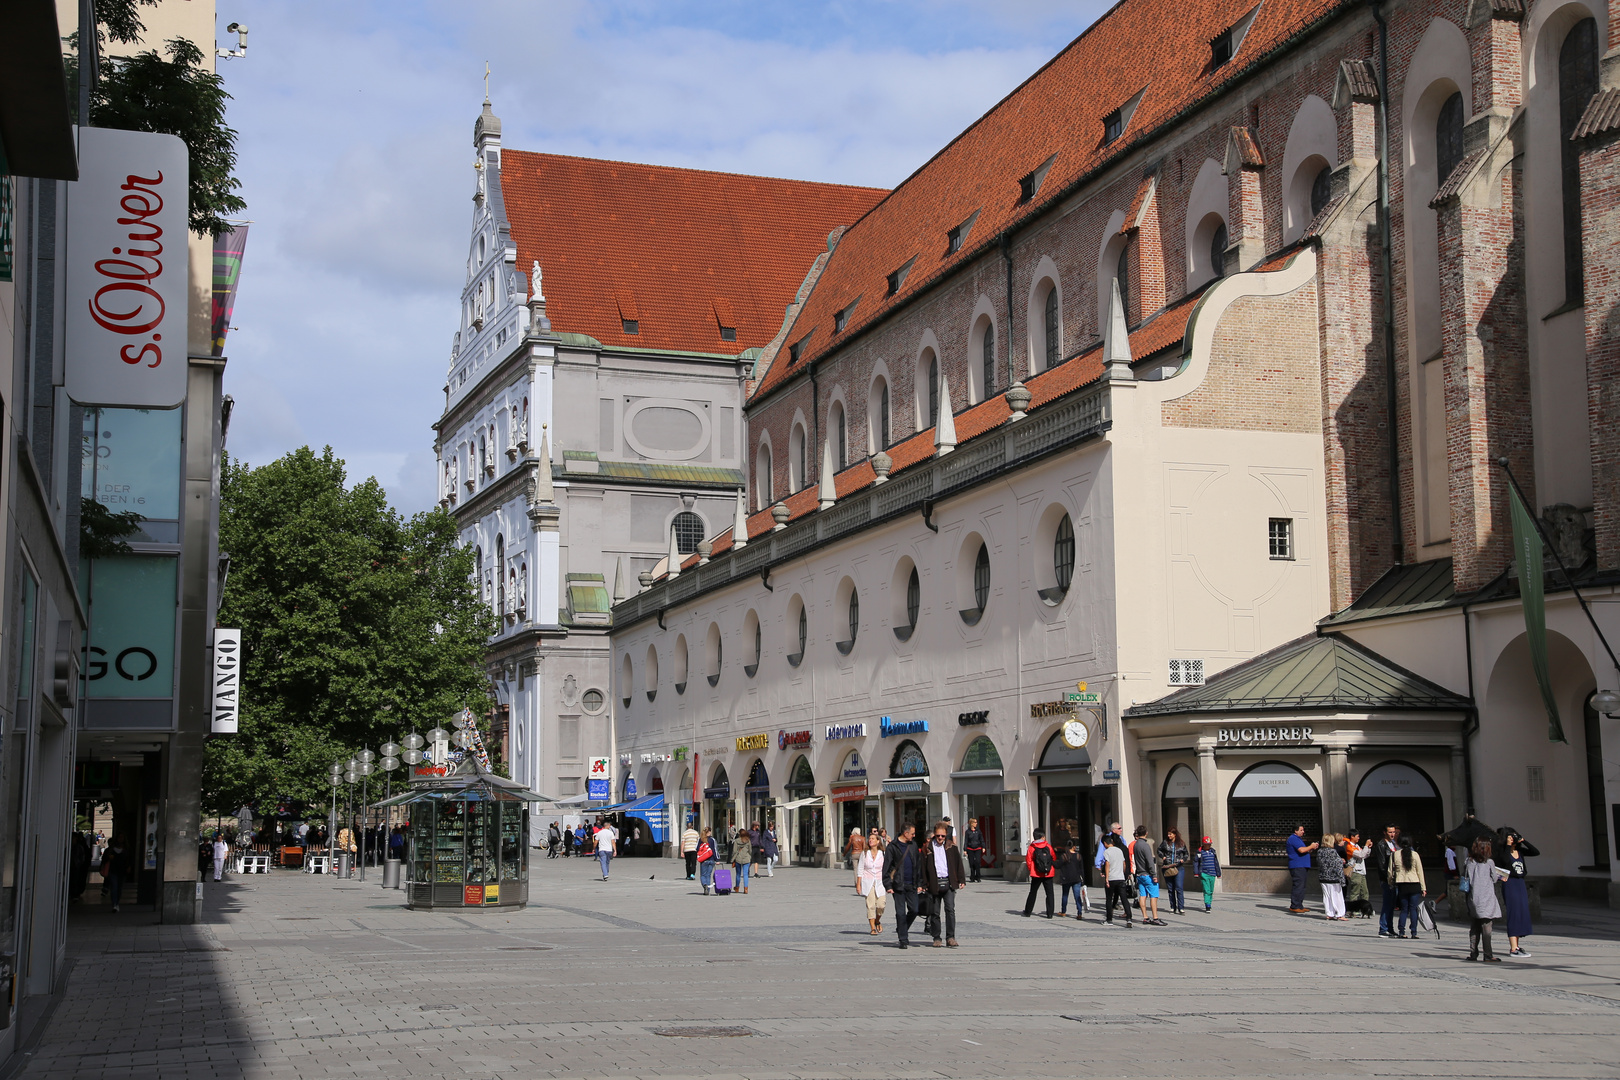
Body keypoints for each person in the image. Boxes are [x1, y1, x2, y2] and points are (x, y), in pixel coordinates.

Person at [919, 821, 966, 947]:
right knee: (935, 912)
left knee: (950, 910)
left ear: (946, 835)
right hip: (934, 883)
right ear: (934, 834)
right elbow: (922, 867)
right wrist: (923, 883)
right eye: (938, 835)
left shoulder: (951, 847)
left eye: (943, 836)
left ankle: (950, 937)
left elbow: (958, 864)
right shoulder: (927, 848)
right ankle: (937, 937)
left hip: (949, 882)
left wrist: (961, 880)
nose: (940, 838)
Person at [1462, 837, 1508, 962]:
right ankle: (1487, 955)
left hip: (1473, 899)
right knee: (1486, 928)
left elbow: (1464, 879)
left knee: (1474, 928)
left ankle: (1473, 953)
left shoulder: (1468, 862)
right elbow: (1494, 878)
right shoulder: (1489, 863)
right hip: (1486, 899)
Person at [1498, 827, 1538, 957]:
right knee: (1514, 913)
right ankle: (1513, 948)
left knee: (1522, 912)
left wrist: (1523, 840)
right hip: (1510, 883)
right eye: (1510, 836)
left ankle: (1517, 946)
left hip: (1520, 883)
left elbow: (1535, 852)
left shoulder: (1519, 851)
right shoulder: (1502, 852)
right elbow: (1503, 861)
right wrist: (1507, 845)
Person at [882, 824, 921, 948]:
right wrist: (888, 885)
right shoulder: (893, 847)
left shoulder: (913, 845)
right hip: (898, 885)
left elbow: (918, 865)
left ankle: (902, 928)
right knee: (900, 913)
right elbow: (886, 867)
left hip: (912, 884)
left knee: (914, 910)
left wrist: (920, 883)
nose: (914, 836)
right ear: (905, 833)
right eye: (912, 833)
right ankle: (903, 939)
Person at [1389, 835, 1426, 939]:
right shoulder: (1415, 855)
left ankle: (1402, 931)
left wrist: (1391, 882)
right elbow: (1420, 871)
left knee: (1404, 909)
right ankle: (1414, 932)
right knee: (1413, 909)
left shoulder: (1395, 855)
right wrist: (1423, 887)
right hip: (1414, 883)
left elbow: (1390, 871)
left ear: (1399, 843)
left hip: (1402, 884)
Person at [1368, 824, 1401, 937]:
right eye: (1390, 832)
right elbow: (1382, 865)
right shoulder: (1381, 845)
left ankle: (1390, 928)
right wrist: (1388, 878)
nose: (1392, 834)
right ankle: (1383, 928)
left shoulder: (1393, 844)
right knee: (1387, 904)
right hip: (1387, 879)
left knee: (1392, 905)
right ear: (1385, 832)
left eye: (1393, 832)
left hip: (1395, 878)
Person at [1131, 826, 1165, 925]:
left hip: (1139, 874)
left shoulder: (1136, 845)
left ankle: (1145, 917)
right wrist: (1154, 874)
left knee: (1143, 895)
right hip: (1147, 874)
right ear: (1146, 833)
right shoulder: (1145, 846)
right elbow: (1150, 861)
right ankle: (1155, 917)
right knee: (1153, 896)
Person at [857, 832, 888, 934]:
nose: (870, 840)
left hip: (880, 882)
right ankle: (872, 928)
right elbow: (860, 868)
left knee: (881, 905)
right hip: (868, 881)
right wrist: (858, 884)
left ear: (878, 841)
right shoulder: (865, 853)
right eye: (869, 839)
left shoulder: (882, 854)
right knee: (870, 905)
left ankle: (877, 920)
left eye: (873, 839)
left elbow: (887, 868)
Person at [1022, 828, 1057, 918]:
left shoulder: (1032, 847)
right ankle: (1050, 914)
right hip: (1048, 873)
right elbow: (1053, 857)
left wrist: (1032, 869)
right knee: (1049, 893)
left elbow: (1028, 860)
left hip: (1036, 873)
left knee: (1033, 892)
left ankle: (1028, 912)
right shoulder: (1048, 846)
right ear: (1042, 837)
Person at [1286, 824, 1319, 914]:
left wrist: (1311, 848)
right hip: (1297, 865)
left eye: (1303, 830)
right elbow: (1301, 850)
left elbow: (1304, 849)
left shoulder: (1298, 839)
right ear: (1295, 831)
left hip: (1302, 865)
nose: (1303, 832)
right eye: (1301, 830)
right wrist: (1311, 846)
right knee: (1298, 885)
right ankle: (1295, 905)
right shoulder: (1293, 838)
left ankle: (1299, 905)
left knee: (1302, 886)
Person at [1101, 834, 1133, 926]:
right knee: (1124, 899)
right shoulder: (1119, 850)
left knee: (1109, 899)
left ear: (1105, 843)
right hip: (1120, 878)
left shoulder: (1107, 852)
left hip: (1111, 878)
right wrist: (1122, 873)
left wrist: (1107, 878)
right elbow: (1124, 864)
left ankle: (1109, 919)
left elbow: (1107, 864)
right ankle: (1129, 918)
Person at [1157, 828, 1189, 915]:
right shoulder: (1165, 843)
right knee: (1171, 889)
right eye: (1168, 834)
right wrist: (1162, 856)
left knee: (1179, 888)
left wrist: (1183, 859)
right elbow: (1159, 850)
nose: (1169, 836)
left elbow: (1186, 853)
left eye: (1170, 834)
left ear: (1175, 834)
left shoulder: (1181, 843)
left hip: (1178, 867)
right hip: (1168, 867)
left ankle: (1181, 907)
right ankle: (1172, 907)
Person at [1317, 833, 1346, 920]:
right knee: (1337, 896)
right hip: (1333, 878)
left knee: (1327, 896)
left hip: (1323, 877)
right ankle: (1340, 914)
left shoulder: (1319, 851)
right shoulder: (1332, 852)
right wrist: (1342, 879)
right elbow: (1337, 865)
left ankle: (1329, 913)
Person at [1341, 829, 1370, 913]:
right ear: (1352, 836)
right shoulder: (1349, 846)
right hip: (1355, 871)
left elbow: (1364, 855)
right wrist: (1365, 846)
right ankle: (1352, 910)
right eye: (1357, 836)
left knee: (1365, 891)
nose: (1359, 838)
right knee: (1355, 892)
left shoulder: (1357, 846)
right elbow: (1361, 855)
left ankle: (1365, 909)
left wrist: (1368, 848)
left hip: (1362, 871)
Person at [1056, 841, 1087, 919]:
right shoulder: (1078, 856)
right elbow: (1081, 869)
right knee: (1077, 896)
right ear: (1074, 847)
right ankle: (1079, 913)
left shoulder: (1064, 856)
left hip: (1066, 878)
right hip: (1076, 878)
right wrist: (1083, 879)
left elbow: (1058, 865)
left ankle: (1063, 911)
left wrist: (1051, 862)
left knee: (1065, 895)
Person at [102, 834, 128, 913]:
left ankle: (116, 902)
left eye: (121, 837)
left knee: (119, 888)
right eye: (119, 837)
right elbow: (104, 859)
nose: (120, 839)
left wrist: (128, 866)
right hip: (113, 870)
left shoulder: (126, 849)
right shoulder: (111, 849)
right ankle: (114, 904)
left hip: (122, 871)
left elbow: (129, 859)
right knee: (114, 887)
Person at [1194, 836, 1221, 911]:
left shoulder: (1213, 852)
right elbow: (1196, 862)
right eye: (1207, 844)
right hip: (1204, 873)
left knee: (1211, 890)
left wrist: (1218, 873)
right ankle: (1207, 904)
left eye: (1209, 844)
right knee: (1206, 890)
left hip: (1213, 873)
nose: (1208, 846)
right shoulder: (1200, 852)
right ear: (1203, 844)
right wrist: (1196, 872)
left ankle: (1210, 902)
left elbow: (1216, 863)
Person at [962, 817, 986, 884]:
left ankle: (978, 876)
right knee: (971, 863)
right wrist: (965, 849)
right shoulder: (968, 832)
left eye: (976, 822)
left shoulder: (978, 831)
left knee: (978, 862)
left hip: (977, 848)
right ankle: (972, 876)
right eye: (975, 822)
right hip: (970, 848)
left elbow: (981, 839)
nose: (976, 824)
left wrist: (983, 847)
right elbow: (966, 841)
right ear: (971, 823)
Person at [730, 825, 753, 895]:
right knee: (745, 874)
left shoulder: (737, 841)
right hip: (746, 859)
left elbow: (734, 851)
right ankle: (746, 888)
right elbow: (750, 850)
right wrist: (749, 857)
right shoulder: (748, 841)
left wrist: (732, 859)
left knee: (738, 874)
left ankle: (737, 887)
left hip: (738, 859)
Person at [696, 828, 718, 894]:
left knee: (703, 875)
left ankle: (704, 885)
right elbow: (715, 850)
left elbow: (697, 849)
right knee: (708, 875)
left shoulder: (701, 840)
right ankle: (707, 890)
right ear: (709, 832)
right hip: (711, 860)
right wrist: (717, 859)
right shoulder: (712, 840)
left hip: (704, 860)